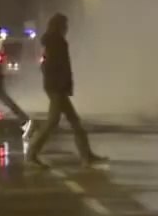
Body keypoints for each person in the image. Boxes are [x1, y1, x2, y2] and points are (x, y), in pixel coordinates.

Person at [26, 13, 105, 167]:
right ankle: (32, 153)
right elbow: (58, 66)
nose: (67, 28)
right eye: (65, 25)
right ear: (59, 26)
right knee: (54, 121)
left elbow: (46, 65)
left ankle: (86, 155)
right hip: (57, 88)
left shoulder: (52, 42)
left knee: (74, 121)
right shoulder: (57, 42)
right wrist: (63, 84)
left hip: (56, 86)